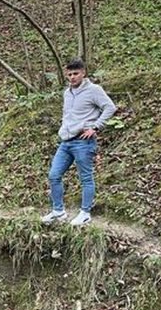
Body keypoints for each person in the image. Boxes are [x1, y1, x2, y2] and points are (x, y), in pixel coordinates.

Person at [42, 58, 116, 227]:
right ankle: (58, 211)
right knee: (54, 175)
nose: (72, 77)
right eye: (69, 74)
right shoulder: (67, 93)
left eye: (76, 73)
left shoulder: (94, 90)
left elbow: (110, 107)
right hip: (66, 141)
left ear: (83, 73)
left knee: (86, 178)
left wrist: (95, 127)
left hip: (84, 141)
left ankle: (85, 213)